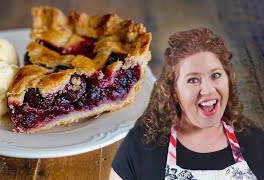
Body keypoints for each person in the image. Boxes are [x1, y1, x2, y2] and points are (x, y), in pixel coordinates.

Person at [110, 27, 264, 180]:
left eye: (216, 75)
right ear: (174, 92)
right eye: (192, 80)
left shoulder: (256, 141)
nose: (208, 90)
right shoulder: (141, 145)